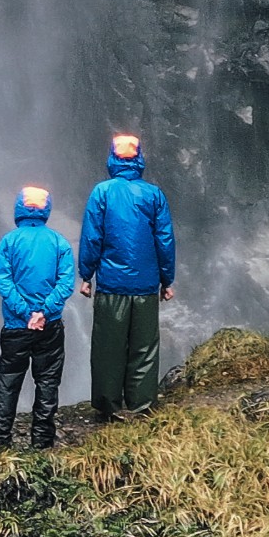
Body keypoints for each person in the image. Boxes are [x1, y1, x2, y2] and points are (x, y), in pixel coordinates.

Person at [76, 133, 176, 419]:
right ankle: (141, 404)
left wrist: (87, 275)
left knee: (109, 346)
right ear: (139, 158)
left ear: (112, 157)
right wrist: (167, 280)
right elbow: (164, 240)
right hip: (145, 285)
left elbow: (92, 237)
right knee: (143, 347)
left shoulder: (102, 192)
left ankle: (109, 406)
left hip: (111, 285)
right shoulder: (154, 194)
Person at [0, 185, 75, 449]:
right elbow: (66, 283)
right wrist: (43, 312)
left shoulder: (9, 241)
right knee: (47, 381)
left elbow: (3, 281)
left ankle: (0, 442)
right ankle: (42, 442)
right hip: (48, 326)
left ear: (19, 207)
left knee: (9, 380)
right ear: (46, 209)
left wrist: (26, 313)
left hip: (16, 326)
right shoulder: (59, 242)